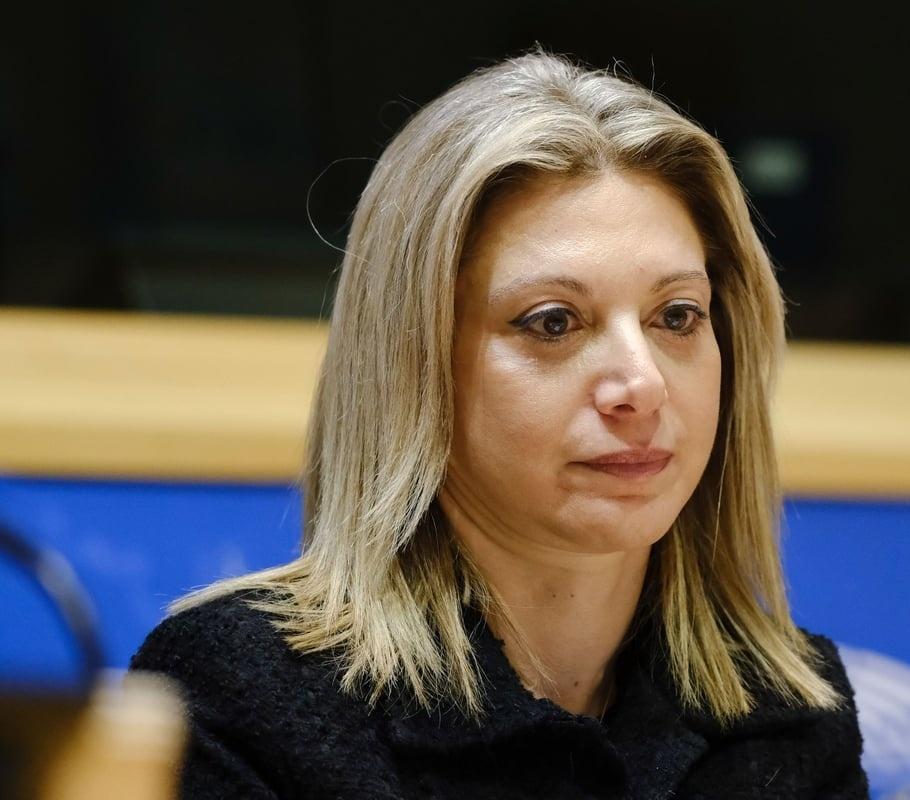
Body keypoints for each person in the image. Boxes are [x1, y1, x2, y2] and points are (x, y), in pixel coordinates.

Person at [131, 49, 869, 799]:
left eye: (676, 316)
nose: (642, 385)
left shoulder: (791, 716)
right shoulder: (240, 699)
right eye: (553, 322)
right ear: (415, 362)